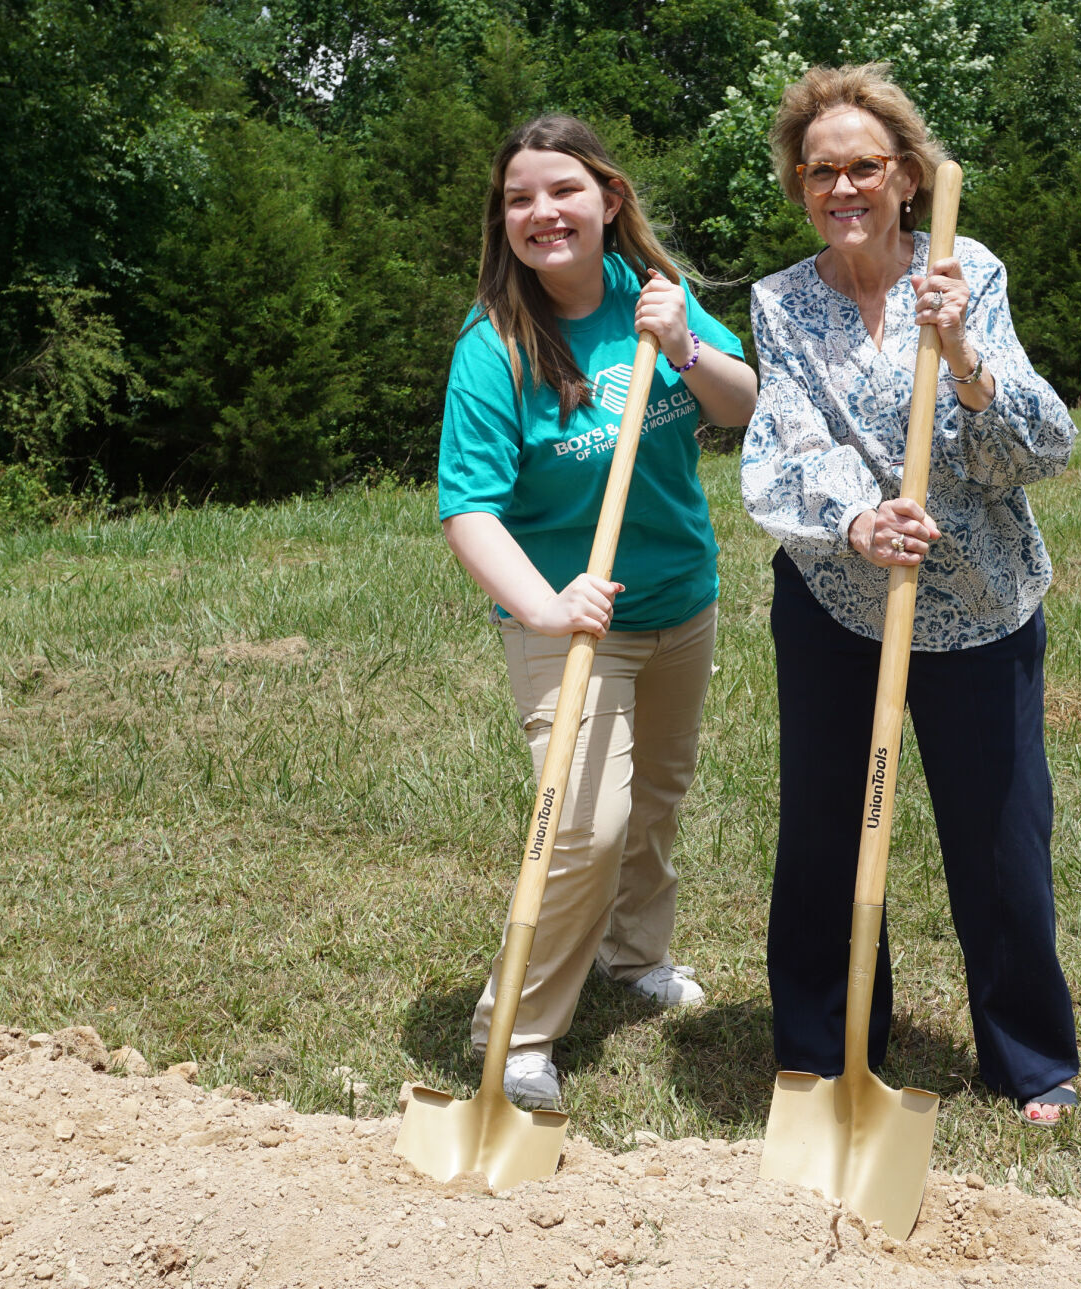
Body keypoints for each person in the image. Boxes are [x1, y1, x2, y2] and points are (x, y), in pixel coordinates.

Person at [740, 64, 1081, 1124]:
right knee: (827, 836)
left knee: (1001, 839)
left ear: (905, 176)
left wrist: (965, 355)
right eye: (819, 171)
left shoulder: (965, 270)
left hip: (980, 602)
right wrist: (858, 521)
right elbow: (784, 442)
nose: (841, 188)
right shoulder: (780, 303)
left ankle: (1029, 1055)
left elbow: (1037, 448)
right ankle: (820, 1053)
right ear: (800, 185)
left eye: (863, 167)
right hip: (840, 602)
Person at [438, 115, 758, 1111]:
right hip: (564, 618)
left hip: (679, 597)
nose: (542, 212)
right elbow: (469, 508)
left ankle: (634, 953)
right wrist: (545, 602)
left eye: (562, 191)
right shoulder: (496, 348)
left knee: (656, 795)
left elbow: (745, 406)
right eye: (520, 198)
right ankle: (518, 1029)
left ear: (608, 200)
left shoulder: (656, 299)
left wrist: (685, 348)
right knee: (584, 819)